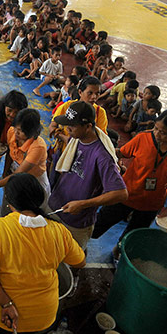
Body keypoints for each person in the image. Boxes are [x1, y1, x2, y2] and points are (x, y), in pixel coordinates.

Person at [0, 173, 86, 334]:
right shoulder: (59, 231)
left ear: (9, 201)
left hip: (2, 311)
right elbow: (80, 262)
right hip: (40, 313)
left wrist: (7, 303)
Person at [93, 109, 167, 256]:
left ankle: (119, 252)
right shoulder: (143, 138)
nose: (157, 134)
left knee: (134, 232)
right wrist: (98, 152)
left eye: (163, 132)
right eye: (156, 128)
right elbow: (121, 152)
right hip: (126, 193)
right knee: (101, 222)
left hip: (152, 202)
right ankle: (79, 244)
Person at [48, 101, 128, 249]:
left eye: (71, 126)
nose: (67, 128)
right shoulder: (78, 138)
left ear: (88, 126)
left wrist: (83, 204)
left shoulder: (102, 156)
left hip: (76, 221)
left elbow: (121, 193)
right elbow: (72, 143)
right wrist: (61, 137)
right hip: (57, 206)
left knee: (72, 257)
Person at [0, 109, 50, 217]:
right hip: (15, 172)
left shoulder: (38, 147)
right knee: (8, 204)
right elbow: (10, 151)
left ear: (31, 132)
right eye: (16, 128)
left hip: (33, 181)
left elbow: (18, 175)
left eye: (21, 131)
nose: (16, 133)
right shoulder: (12, 132)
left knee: (28, 212)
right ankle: (4, 217)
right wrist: (5, 172)